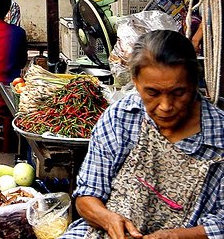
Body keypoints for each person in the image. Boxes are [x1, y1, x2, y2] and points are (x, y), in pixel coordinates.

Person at [62, 30, 224, 239]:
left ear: (194, 82)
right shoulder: (121, 117)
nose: (166, 106)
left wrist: (175, 236)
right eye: (153, 93)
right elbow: (87, 197)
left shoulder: (218, 136)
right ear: (135, 82)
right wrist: (109, 220)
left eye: (178, 93)